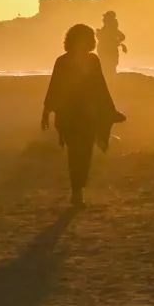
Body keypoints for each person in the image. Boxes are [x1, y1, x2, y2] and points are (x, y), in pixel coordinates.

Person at [40, 24, 126, 208]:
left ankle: (77, 191)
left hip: (88, 115)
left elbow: (101, 87)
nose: (85, 42)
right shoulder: (62, 62)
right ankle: (76, 191)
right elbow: (54, 87)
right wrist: (46, 112)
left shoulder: (93, 60)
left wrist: (109, 111)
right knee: (75, 153)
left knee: (84, 153)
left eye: (87, 39)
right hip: (69, 115)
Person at [97, 11, 127, 76]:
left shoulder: (110, 28)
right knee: (110, 69)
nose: (103, 19)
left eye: (105, 17)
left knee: (108, 69)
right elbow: (122, 37)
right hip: (110, 52)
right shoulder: (112, 28)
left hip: (107, 53)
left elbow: (122, 37)